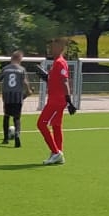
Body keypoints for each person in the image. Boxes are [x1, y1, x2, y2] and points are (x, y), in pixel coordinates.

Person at [37, 37, 70, 165]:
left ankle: (56, 152)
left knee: (41, 124)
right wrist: (46, 77)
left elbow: (65, 81)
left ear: (61, 48)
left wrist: (68, 99)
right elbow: (56, 80)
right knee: (56, 126)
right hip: (55, 99)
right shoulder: (56, 62)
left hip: (56, 101)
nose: (51, 49)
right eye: (51, 46)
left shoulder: (60, 62)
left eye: (54, 46)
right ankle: (58, 153)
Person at [0, 50, 32, 147]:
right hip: (17, 96)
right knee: (17, 118)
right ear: (19, 59)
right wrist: (28, 90)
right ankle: (17, 135)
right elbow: (25, 82)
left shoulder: (5, 69)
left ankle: (5, 138)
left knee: (6, 116)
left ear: (12, 58)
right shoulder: (21, 69)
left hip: (7, 95)